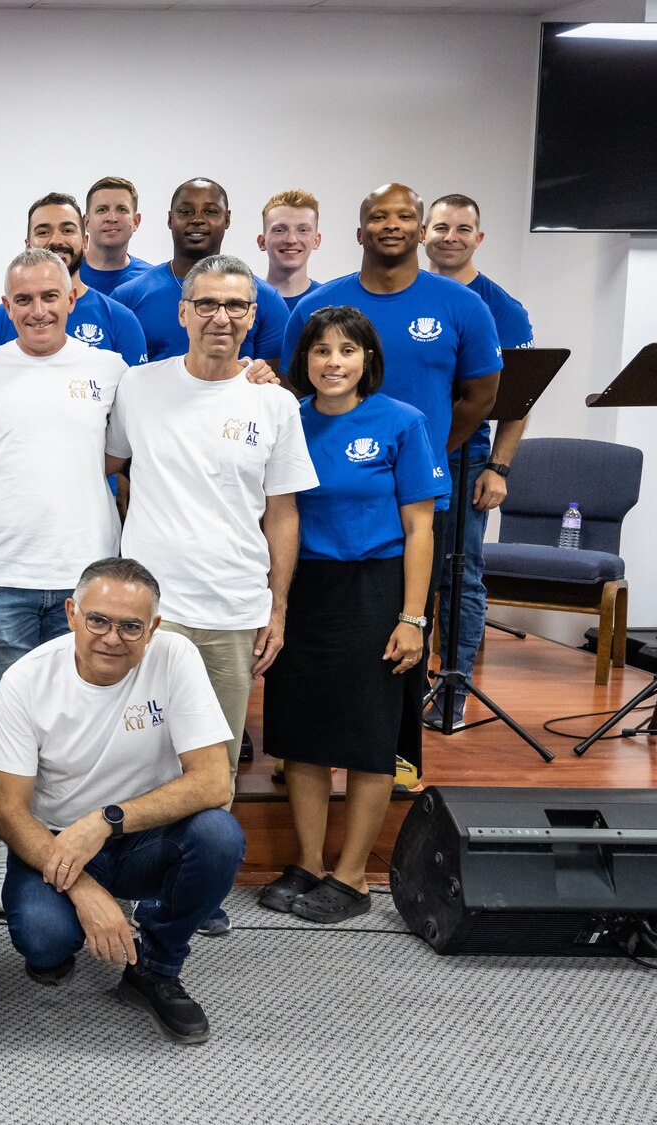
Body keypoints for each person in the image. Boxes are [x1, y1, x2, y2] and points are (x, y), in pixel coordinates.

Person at [0, 556, 244, 1045]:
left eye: (131, 626)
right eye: (98, 620)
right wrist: (85, 889)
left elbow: (214, 783)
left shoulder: (176, 656)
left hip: (140, 836)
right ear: (71, 613)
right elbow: (9, 811)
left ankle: (157, 967)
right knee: (44, 942)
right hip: (56, 841)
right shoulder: (26, 680)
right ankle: (70, 933)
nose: (111, 637)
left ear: (153, 629)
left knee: (218, 834)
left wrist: (107, 820)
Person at [0, 248, 131, 910]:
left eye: (50, 296)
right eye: (22, 300)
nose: (38, 310)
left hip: (89, 582)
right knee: (4, 719)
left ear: (71, 297)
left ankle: (91, 849)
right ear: (4, 305)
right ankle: (3, 846)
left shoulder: (109, 371)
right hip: (4, 575)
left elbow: (118, 452)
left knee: (90, 717)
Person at [289, 184, 502, 754]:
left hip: (414, 504)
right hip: (327, 501)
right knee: (317, 637)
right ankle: (309, 750)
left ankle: (396, 753)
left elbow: (482, 395)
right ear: (359, 232)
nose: (391, 225)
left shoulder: (463, 306)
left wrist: (421, 461)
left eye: (405, 216)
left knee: (407, 627)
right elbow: (290, 395)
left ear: (420, 229)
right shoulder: (316, 307)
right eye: (377, 216)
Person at [106, 254, 318, 807]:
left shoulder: (274, 403)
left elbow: (283, 513)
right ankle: (137, 883)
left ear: (252, 316)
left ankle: (200, 887)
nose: (219, 317)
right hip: (150, 612)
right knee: (138, 759)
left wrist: (277, 607)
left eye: (234, 306)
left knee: (213, 768)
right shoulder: (138, 386)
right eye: (206, 304)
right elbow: (109, 463)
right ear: (183, 313)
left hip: (233, 608)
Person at [263, 308, 443, 924]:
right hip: (304, 587)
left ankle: (354, 876)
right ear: (303, 360)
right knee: (304, 735)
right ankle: (310, 863)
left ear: (368, 358)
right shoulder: (288, 419)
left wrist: (413, 618)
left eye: (347, 350)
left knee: (369, 740)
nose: (332, 362)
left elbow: (421, 525)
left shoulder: (401, 422)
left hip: (376, 589)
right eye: (320, 351)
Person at [422, 192, 534, 735]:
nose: (451, 237)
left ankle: (454, 689)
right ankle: (410, 681)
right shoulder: (407, 292)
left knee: (456, 573)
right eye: (441, 226)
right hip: (403, 452)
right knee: (405, 572)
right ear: (424, 234)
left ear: (478, 238)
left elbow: (518, 401)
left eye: (462, 229)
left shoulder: (501, 308)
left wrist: (500, 468)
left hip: (467, 459)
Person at [114, 178, 291, 363]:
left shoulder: (265, 299)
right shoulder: (128, 297)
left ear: (227, 218)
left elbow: (273, 382)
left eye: (210, 211)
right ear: (170, 219)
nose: (197, 219)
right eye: (185, 211)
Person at [0, 192, 148, 366]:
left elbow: (134, 396)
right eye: (43, 232)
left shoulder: (121, 320)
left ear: (85, 242)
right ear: (28, 246)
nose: (56, 240)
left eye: (67, 230)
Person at [80, 176, 156, 297]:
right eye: (102, 210)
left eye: (122, 209)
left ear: (136, 221)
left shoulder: (152, 280)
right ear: (86, 222)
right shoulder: (65, 276)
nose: (112, 218)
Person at [259, 189, 324, 309]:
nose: (291, 240)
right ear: (262, 242)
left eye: (302, 230)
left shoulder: (328, 302)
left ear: (316, 240)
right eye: (280, 230)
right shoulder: (244, 300)